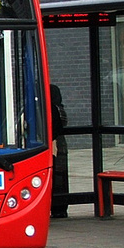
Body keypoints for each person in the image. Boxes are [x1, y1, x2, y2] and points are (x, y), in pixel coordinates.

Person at [50, 84, 69, 218]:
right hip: (61, 145)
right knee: (61, 177)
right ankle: (61, 207)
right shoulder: (60, 108)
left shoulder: (51, 108)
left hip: (54, 146)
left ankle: (57, 206)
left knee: (55, 177)